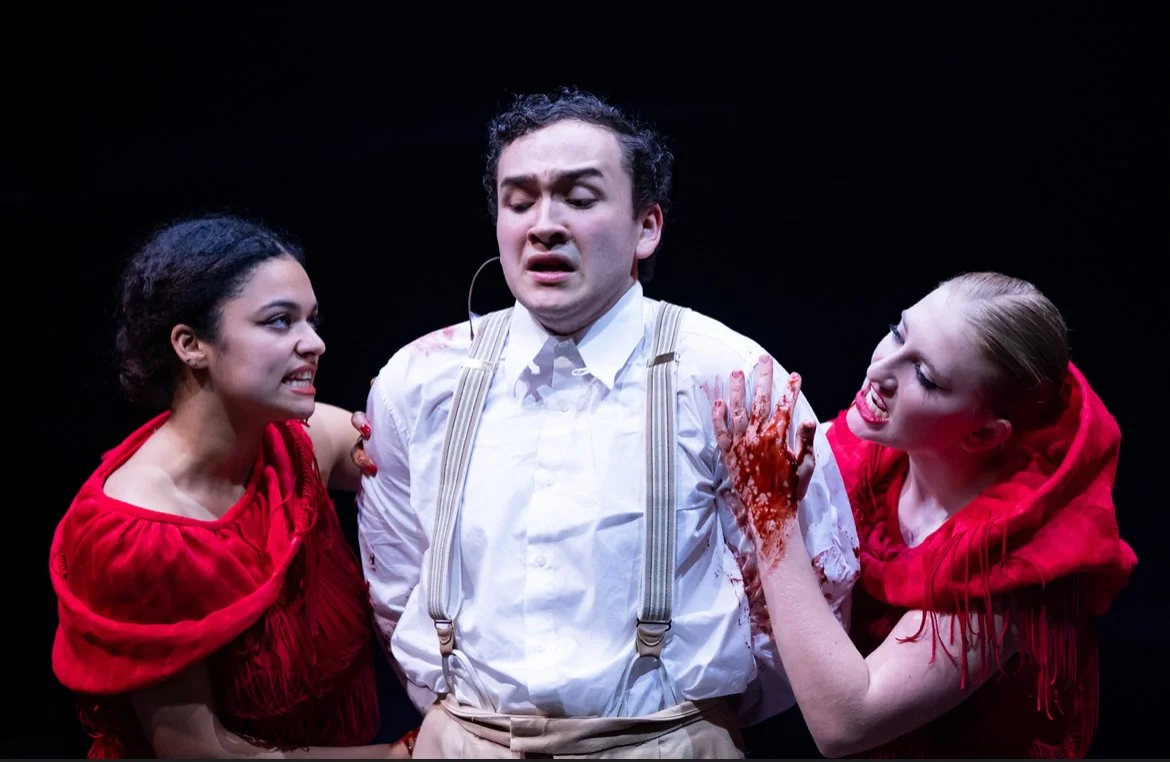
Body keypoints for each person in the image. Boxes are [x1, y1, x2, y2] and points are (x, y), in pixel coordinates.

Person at [352, 87, 860, 758]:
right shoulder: (419, 380)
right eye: (519, 199)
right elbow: (395, 583)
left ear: (646, 227)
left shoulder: (731, 378)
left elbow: (813, 598)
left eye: (580, 197)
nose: (544, 224)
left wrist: (691, 723)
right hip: (466, 741)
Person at [712, 271, 1137, 758]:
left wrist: (773, 520)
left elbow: (845, 723)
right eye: (897, 331)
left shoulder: (1013, 567)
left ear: (984, 435)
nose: (880, 371)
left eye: (926, 377)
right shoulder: (865, 455)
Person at [49, 215, 415, 759]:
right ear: (191, 344)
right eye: (278, 322)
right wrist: (407, 756)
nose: (313, 342)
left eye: (312, 320)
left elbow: (420, 449)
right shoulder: (140, 537)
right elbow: (204, 753)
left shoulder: (296, 444)